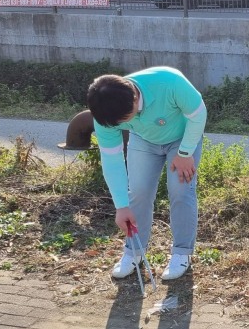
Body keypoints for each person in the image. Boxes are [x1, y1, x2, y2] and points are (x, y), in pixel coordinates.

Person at [87, 66, 207, 282]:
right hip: (144, 141)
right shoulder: (106, 114)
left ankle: (182, 253)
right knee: (138, 193)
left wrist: (185, 152)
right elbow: (112, 160)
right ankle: (134, 252)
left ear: (134, 98)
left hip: (182, 138)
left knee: (181, 191)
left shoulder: (169, 82)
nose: (122, 125)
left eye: (126, 119)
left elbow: (198, 115)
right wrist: (121, 207)